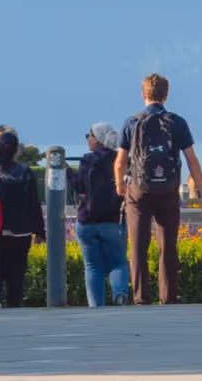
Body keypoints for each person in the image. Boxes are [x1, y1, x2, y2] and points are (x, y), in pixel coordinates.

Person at [115, 73, 202, 305]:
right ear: (166, 96)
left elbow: (120, 161)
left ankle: (141, 298)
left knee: (138, 245)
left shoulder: (132, 122)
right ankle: (168, 297)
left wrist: (119, 183)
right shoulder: (177, 122)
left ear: (143, 94)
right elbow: (191, 159)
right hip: (168, 190)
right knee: (168, 245)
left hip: (139, 191)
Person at [0, 131, 45, 307]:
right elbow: (34, 204)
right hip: (21, 231)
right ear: (15, 151)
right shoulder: (25, 172)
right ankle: (14, 303)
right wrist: (40, 231)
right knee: (17, 271)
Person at [72, 122, 129, 306]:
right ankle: (120, 292)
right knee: (118, 262)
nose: (87, 138)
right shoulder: (119, 159)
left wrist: (67, 173)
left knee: (92, 266)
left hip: (87, 220)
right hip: (112, 219)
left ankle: (96, 307)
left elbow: (80, 187)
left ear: (96, 139)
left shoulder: (87, 160)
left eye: (88, 135)